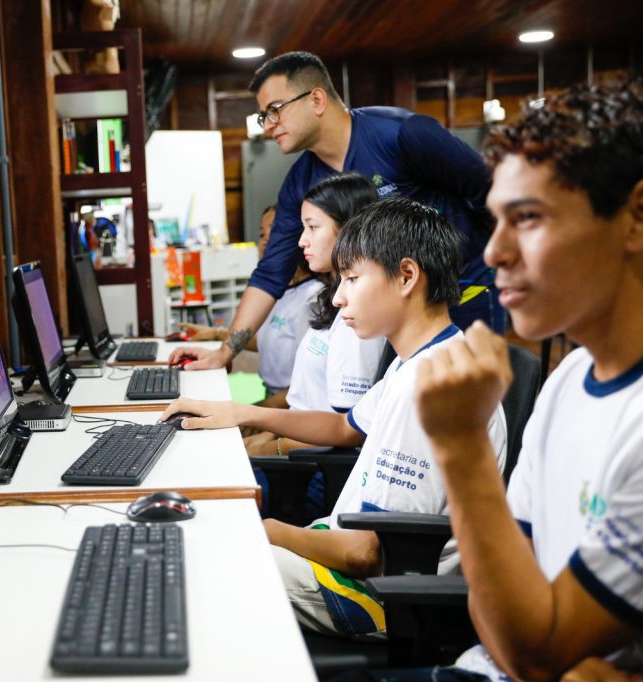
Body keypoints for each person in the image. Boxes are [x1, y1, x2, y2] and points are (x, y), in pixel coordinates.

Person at [160, 198, 507, 636]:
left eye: (352, 278)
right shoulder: (422, 359)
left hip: (384, 595)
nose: (339, 296)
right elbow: (343, 427)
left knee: (197, 555)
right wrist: (240, 413)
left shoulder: (429, 389)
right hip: (360, 560)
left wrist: (266, 528)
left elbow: (365, 553)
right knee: (201, 537)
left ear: (406, 276)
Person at [402, 78, 643, 681]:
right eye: (496, 221)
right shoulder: (570, 380)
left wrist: (461, 447)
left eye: (528, 219)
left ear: (635, 217)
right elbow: (505, 607)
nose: (493, 252)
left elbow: (536, 650)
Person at [170, 51, 499, 373]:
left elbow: (490, 192)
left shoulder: (403, 135)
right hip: (390, 314)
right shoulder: (299, 183)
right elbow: (272, 270)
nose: (268, 126)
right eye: (263, 116)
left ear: (316, 100)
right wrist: (224, 352)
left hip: (463, 295)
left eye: (274, 110)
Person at [242, 174, 384, 457]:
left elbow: (347, 432)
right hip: (297, 444)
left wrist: (268, 447)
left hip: (312, 466)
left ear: (348, 229)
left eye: (313, 228)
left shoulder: (357, 317)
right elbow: (308, 403)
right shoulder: (330, 297)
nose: (301, 242)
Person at [180, 205, 321, 399]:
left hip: (291, 408)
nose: (264, 243)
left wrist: (255, 415)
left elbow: (309, 386)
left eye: (274, 233)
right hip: (273, 400)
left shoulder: (312, 299)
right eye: (262, 235)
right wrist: (215, 334)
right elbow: (270, 341)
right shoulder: (276, 291)